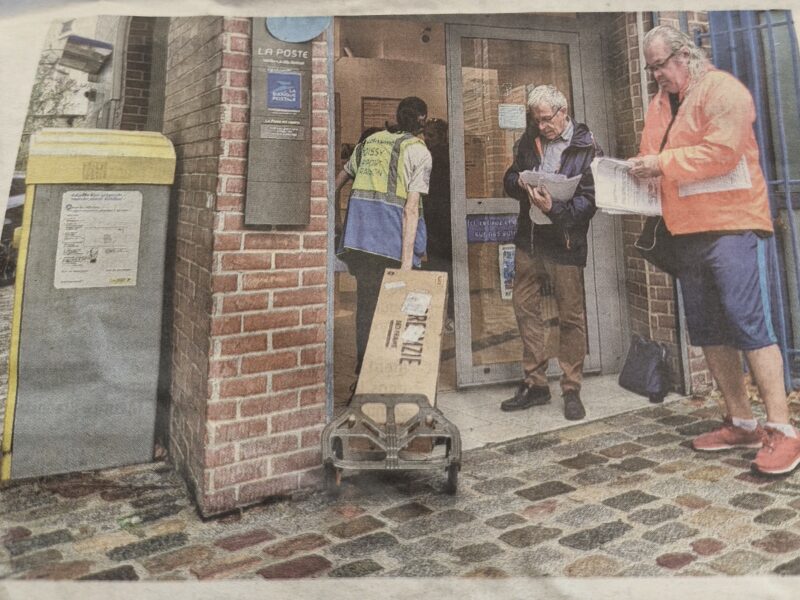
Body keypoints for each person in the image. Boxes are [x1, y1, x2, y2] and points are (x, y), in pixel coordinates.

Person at [629, 25, 800, 475]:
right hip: (685, 231)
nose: (656, 76)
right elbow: (652, 154)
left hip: (731, 225)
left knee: (748, 323)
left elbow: (721, 153)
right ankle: (741, 422)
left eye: (660, 66)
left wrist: (661, 164)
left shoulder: (724, 90)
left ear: (685, 55)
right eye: (650, 69)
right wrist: (635, 172)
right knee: (707, 329)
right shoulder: (658, 104)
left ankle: (782, 430)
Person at [501, 85, 602, 420]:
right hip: (530, 238)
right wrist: (519, 182)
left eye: (546, 119)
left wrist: (554, 207)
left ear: (563, 111)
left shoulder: (587, 147)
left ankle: (571, 388)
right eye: (537, 119)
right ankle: (536, 382)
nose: (541, 125)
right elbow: (510, 175)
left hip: (565, 241)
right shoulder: (530, 140)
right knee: (524, 307)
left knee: (571, 316)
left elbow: (589, 202)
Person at [335, 96, 432, 382]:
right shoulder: (419, 151)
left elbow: (337, 183)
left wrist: (339, 224)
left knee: (366, 304)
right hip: (391, 242)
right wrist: (406, 264)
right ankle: (385, 378)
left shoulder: (370, 142)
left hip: (360, 241)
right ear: (422, 120)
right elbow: (411, 209)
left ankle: (363, 367)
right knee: (395, 310)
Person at [422, 118, 454, 329]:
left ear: (442, 136)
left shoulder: (435, 157)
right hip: (444, 222)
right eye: (425, 134)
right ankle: (449, 315)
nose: (426, 139)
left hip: (438, 222)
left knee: (437, 269)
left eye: (430, 135)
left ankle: (441, 315)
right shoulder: (450, 156)